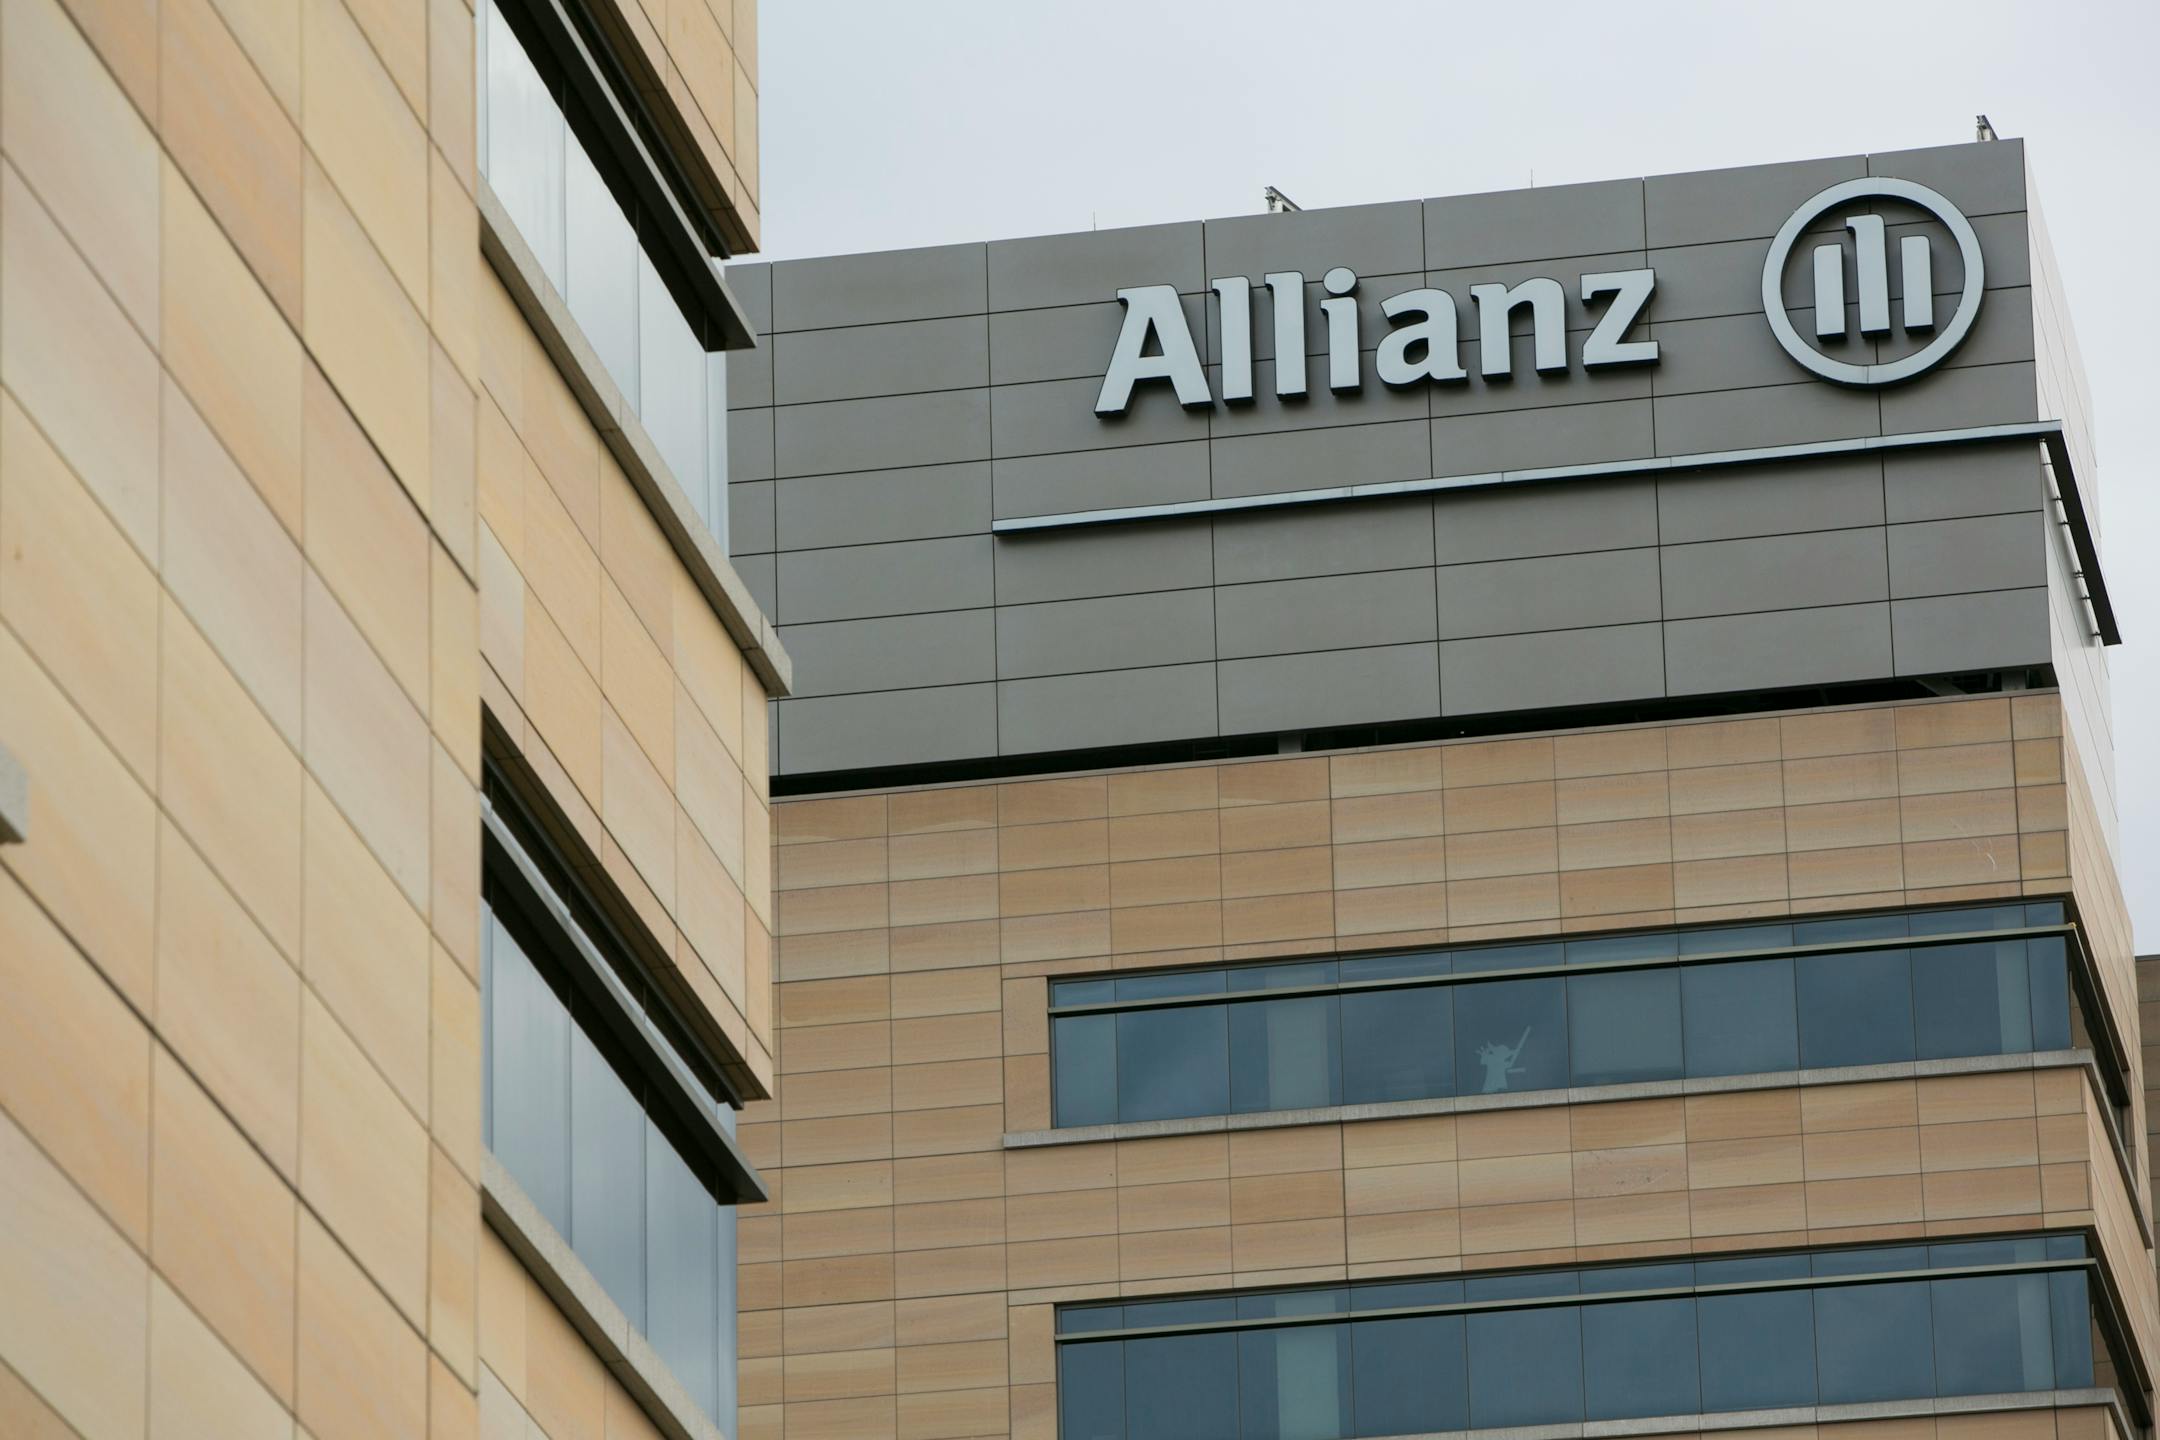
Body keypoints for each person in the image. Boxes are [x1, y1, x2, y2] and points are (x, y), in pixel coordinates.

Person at [1476, 1027, 1531, 1094]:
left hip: (1500, 1088)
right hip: (1490, 1088)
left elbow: (1510, 1064)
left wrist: (1515, 1052)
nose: (1504, 1057)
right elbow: (1483, 1061)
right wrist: (1515, 1052)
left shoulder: (1498, 1061)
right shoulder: (1492, 1059)